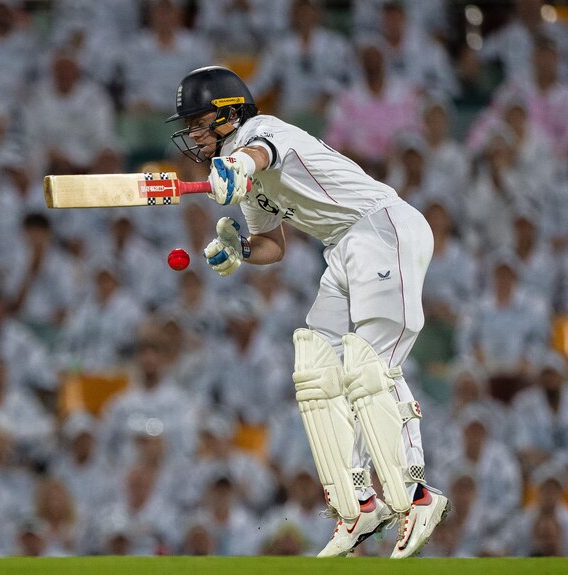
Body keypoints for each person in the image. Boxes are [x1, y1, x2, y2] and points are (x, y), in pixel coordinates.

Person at [167, 66, 446, 559]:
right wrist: (240, 250)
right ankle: (359, 504)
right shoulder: (240, 171)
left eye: (198, 123)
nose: (193, 135)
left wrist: (239, 167)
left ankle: (417, 494)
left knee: (371, 369)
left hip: (381, 228)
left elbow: (260, 154)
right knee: (318, 372)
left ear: (229, 115)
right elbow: (272, 244)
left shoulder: (260, 132)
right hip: (342, 247)